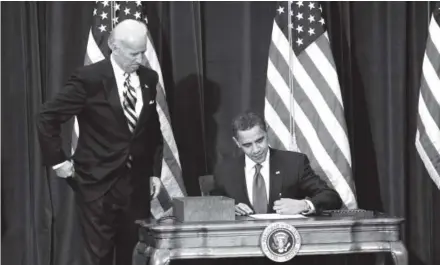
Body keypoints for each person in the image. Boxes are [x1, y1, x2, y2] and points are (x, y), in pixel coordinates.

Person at [37, 19, 162, 265]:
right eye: (133, 53)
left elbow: (152, 130)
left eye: (143, 52)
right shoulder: (89, 78)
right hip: (97, 185)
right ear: (114, 46)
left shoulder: (149, 78)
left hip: (135, 187)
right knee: (99, 257)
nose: (140, 58)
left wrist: (154, 172)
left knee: (134, 254)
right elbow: (46, 116)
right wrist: (58, 161)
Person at [212, 111, 342, 216]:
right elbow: (211, 207)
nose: (256, 149)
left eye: (260, 140)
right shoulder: (225, 170)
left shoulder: (294, 163)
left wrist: (304, 205)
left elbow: (331, 197)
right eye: (247, 145)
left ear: (266, 132)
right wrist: (229, 209)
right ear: (237, 142)